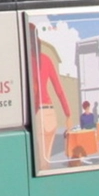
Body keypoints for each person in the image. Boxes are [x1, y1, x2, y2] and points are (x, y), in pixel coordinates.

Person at [29, 24, 70, 171]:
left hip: (38, 114)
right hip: (50, 114)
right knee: (46, 161)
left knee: (41, 164)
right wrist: (67, 114)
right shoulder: (46, 59)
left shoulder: (25, 61)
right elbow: (59, 89)